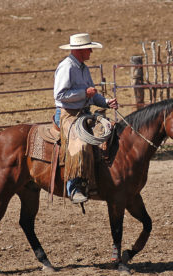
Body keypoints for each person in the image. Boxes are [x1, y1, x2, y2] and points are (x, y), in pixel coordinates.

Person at [54, 33, 118, 204]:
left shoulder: (83, 68)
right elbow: (59, 95)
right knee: (79, 144)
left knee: (109, 133)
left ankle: (96, 179)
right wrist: (84, 93)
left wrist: (105, 102)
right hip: (67, 113)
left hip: (82, 113)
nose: (91, 51)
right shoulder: (66, 67)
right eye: (89, 48)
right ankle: (73, 188)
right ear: (80, 50)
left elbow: (92, 94)